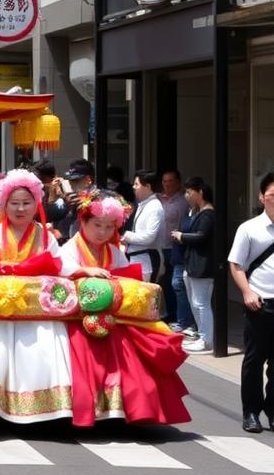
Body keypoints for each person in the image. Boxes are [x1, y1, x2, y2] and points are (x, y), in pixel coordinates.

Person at [59, 187, 191, 425]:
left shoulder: (114, 251)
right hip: (78, 321)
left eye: (110, 227)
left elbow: (128, 280)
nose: (103, 232)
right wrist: (84, 271)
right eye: (97, 225)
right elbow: (61, 271)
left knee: (138, 359)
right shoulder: (69, 249)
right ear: (83, 222)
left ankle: (133, 408)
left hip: (116, 320)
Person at [0, 168, 76, 421]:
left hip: (36, 313)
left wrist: (85, 271)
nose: (20, 209)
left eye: (26, 203)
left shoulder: (46, 237)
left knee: (39, 354)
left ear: (36, 205)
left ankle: (44, 408)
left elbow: (62, 266)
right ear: (4, 204)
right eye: (14, 203)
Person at [228, 171, 274, 433]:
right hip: (259, 303)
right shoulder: (249, 229)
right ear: (261, 197)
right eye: (272, 196)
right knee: (254, 361)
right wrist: (247, 292)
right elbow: (236, 265)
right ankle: (252, 413)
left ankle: (273, 410)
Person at [174, 177, 216, 354]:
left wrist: (181, 236)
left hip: (202, 267)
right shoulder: (198, 212)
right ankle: (202, 336)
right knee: (194, 302)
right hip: (192, 265)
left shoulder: (208, 214)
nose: (187, 195)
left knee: (201, 303)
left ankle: (207, 341)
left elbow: (201, 236)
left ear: (201, 192)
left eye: (190, 191)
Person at [121, 170, 166, 283]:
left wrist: (128, 236)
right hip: (137, 258)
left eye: (137, 184)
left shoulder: (155, 207)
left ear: (148, 186)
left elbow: (149, 237)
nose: (134, 187)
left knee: (145, 297)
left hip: (147, 261)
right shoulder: (143, 204)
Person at [159, 168, 190, 324]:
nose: (167, 184)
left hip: (176, 247)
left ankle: (179, 318)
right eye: (164, 181)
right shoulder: (159, 200)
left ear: (178, 182)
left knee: (176, 284)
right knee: (164, 284)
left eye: (170, 181)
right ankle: (168, 315)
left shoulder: (184, 201)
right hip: (161, 247)